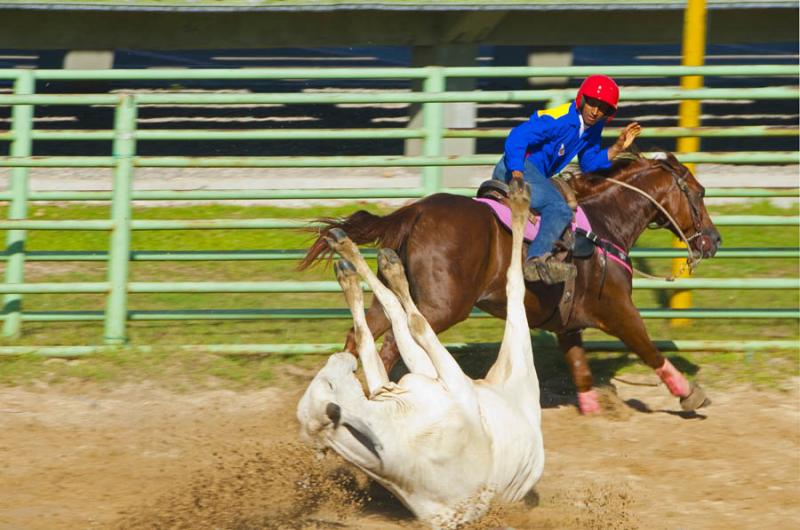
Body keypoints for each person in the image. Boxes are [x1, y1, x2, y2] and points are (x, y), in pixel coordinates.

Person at [492, 74, 641, 284]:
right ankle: (535, 260)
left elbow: (588, 163)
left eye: (603, 108)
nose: (595, 110)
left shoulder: (593, 128)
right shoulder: (560, 119)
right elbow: (518, 136)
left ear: (608, 113)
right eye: (592, 102)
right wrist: (517, 173)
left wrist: (617, 147)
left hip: (535, 174)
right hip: (519, 168)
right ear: (582, 99)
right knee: (560, 209)